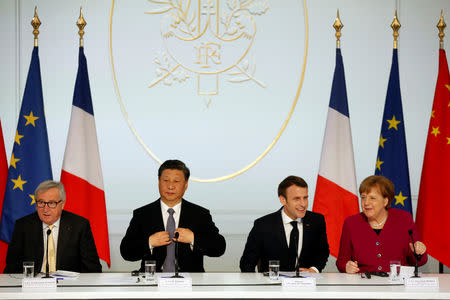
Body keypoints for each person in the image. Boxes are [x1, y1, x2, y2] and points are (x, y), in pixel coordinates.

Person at [120, 159, 226, 272]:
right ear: (158, 182)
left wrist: (193, 239)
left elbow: (219, 247)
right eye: (165, 180)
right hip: (153, 281)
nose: (170, 186)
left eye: (176, 181)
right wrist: (149, 242)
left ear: (185, 185)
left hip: (190, 282)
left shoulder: (200, 214)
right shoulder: (142, 214)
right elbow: (126, 252)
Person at [4, 180, 101, 273]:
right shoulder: (23, 226)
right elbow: (12, 268)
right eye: (41, 202)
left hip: (68, 286)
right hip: (33, 286)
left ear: (62, 204)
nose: (45, 209)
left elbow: (93, 268)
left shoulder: (79, 226)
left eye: (51, 203)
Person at [336, 175, 428, 273]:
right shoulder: (351, 223)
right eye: (363, 197)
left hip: (397, 283)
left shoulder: (404, 219)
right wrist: (346, 266)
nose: (366, 202)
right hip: (364, 283)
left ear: (385, 201)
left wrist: (419, 252)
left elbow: (420, 261)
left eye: (372, 198)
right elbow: (341, 261)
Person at [240, 176, 329, 273]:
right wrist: (258, 286)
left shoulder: (316, 221)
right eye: (296, 199)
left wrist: (314, 270)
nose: (303, 204)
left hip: (306, 285)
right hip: (272, 285)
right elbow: (247, 264)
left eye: (305, 198)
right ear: (283, 200)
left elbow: (323, 251)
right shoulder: (263, 225)